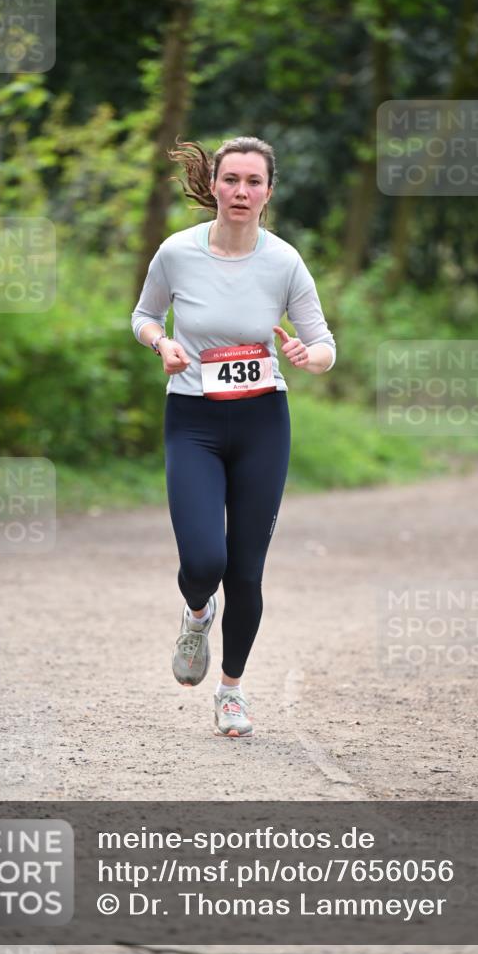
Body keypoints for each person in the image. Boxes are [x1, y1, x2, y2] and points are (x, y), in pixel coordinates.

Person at [131, 136, 336, 737]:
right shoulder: (176, 253)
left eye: (254, 182)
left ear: (269, 192)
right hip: (192, 419)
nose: (241, 192)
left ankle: (232, 691)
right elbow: (143, 316)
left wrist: (306, 354)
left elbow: (324, 344)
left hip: (262, 423)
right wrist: (162, 343)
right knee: (204, 560)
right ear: (213, 186)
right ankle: (198, 614)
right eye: (232, 180)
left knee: (246, 571)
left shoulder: (284, 262)